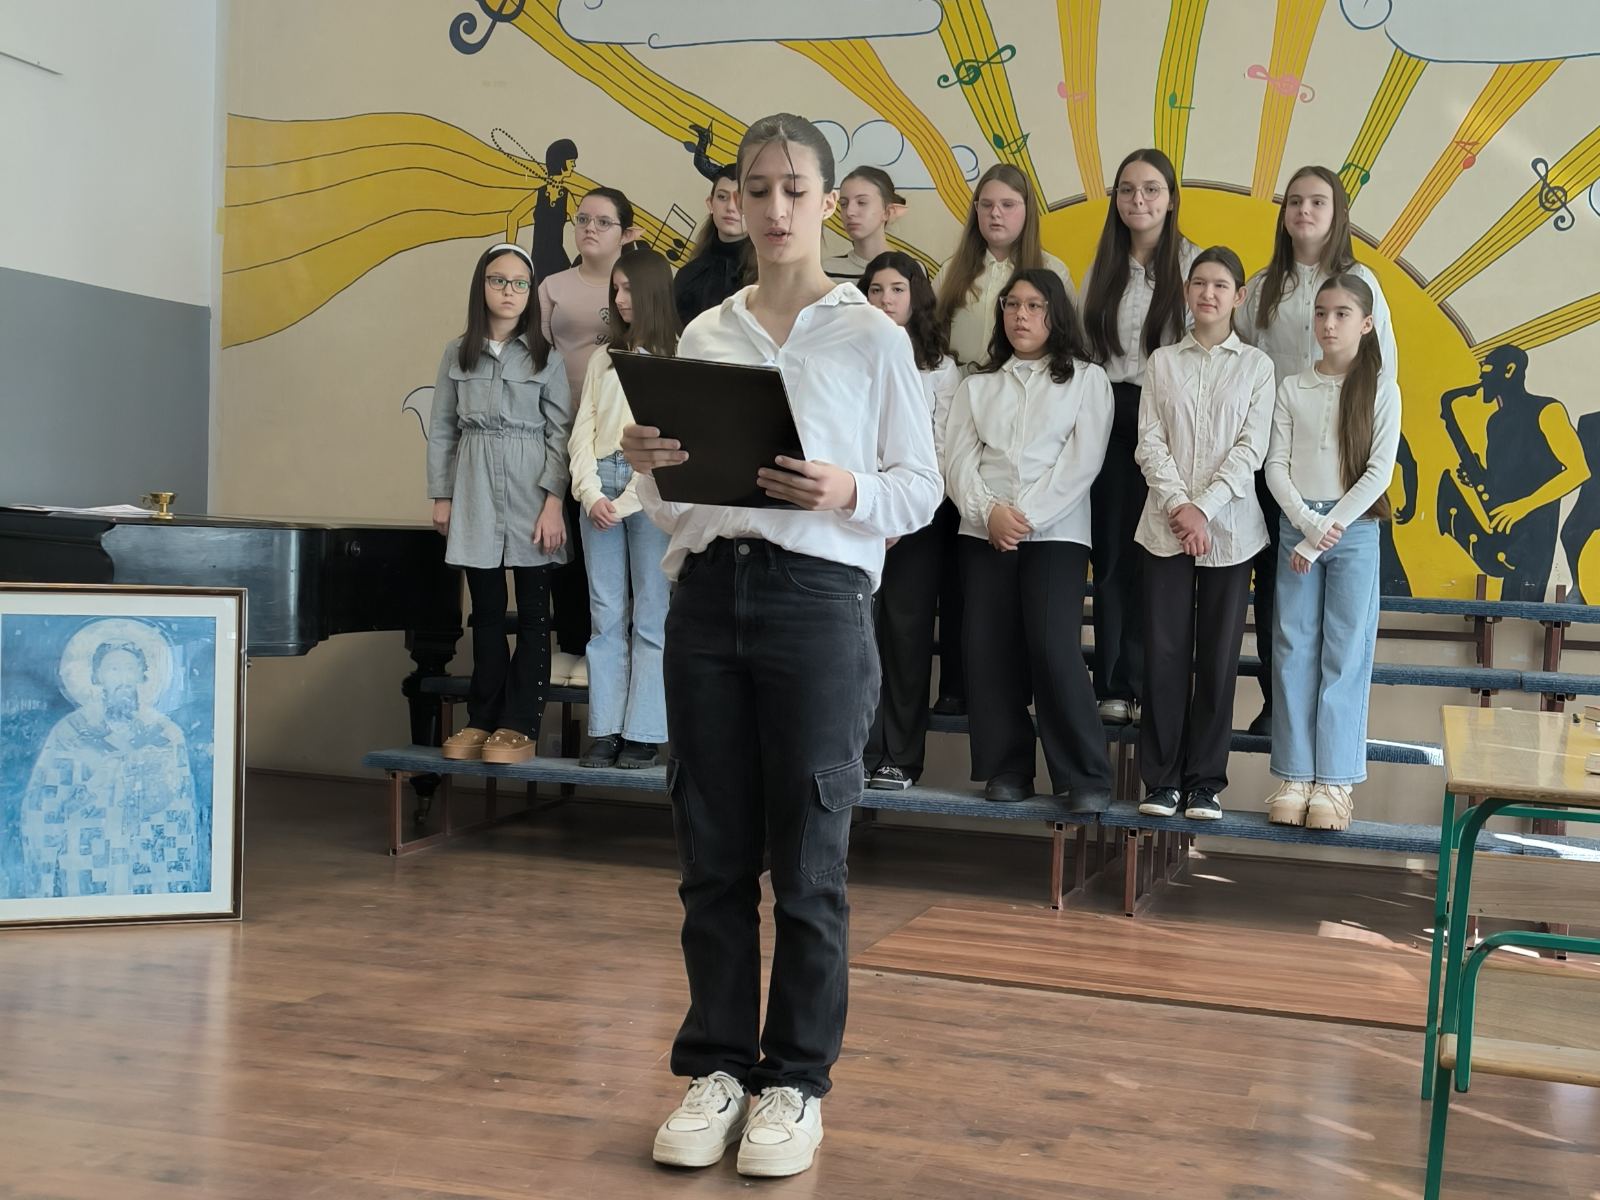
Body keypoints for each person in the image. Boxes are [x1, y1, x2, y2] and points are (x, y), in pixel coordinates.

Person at [622, 114, 940, 1178]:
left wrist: (845, 488)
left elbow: (920, 489)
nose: (773, 208)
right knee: (711, 853)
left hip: (818, 600)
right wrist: (650, 467)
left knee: (809, 861)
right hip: (709, 598)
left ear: (829, 202)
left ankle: (794, 1082)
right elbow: (677, 513)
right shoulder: (705, 335)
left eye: (794, 189)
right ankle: (716, 1068)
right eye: (755, 189)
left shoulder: (871, 336)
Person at [942, 269, 1115, 809]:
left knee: (1052, 647)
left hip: (1056, 533)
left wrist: (1024, 517)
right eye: (1012, 305)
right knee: (988, 648)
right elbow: (957, 461)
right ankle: (1007, 769)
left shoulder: (1087, 380)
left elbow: (1081, 463)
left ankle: (1085, 778)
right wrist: (989, 512)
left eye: (1035, 306)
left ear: (1056, 314)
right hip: (982, 532)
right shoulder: (978, 385)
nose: (1021, 315)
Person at [1236, 165, 1398, 733]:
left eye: (1318, 202)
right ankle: (1278, 705)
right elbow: (1238, 356)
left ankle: (1329, 735)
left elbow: (1383, 371)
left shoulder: (1361, 280)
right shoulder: (1263, 285)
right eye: (1295, 201)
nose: (1304, 211)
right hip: (1275, 457)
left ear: (1337, 213)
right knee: (1276, 586)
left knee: (1340, 611)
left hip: (1340, 465)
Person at [1132, 247, 1275, 821]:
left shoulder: (1257, 367)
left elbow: (1252, 449)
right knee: (1164, 655)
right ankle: (1162, 781)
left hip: (1232, 532)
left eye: (1220, 285)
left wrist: (1204, 509)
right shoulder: (1162, 362)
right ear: (1187, 292)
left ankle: (1205, 783)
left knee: (1218, 660)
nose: (1208, 293)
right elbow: (1149, 442)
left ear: (1238, 297)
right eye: (1199, 283)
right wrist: (1179, 506)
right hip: (1163, 528)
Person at [1264, 275, 1400, 832]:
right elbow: (1275, 466)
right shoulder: (1292, 387)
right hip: (1299, 525)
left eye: (1342, 314)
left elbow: (1379, 472)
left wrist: (1328, 529)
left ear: (1366, 324)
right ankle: (1295, 776)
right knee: (1293, 648)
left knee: (1344, 653)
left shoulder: (1381, 388)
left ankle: (1335, 782)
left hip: (1355, 529)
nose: (1329, 324)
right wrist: (1306, 525)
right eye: (1321, 313)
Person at [430, 242, 571, 766]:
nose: (508, 291)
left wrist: (553, 503)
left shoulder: (546, 356)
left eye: (519, 283)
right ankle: (482, 718)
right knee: (486, 611)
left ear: (530, 292)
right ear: (481, 286)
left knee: (534, 613)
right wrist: (442, 496)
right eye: (498, 280)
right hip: (473, 488)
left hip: (530, 488)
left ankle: (520, 724)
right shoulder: (457, 352)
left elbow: (560, 434)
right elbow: (443, 428)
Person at [1082, 148, 1197, 727]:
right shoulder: (1102, 265)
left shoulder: (1192, 264)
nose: (1138, 200)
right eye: (1127, 190)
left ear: (1171, 199)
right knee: (1111, 554)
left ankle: (1153, 682)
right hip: (1109, 412)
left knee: (1161, 555)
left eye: (1151, 189)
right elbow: (1085, 349)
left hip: (1172, 418)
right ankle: (1112, 684)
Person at [569, 248, 678, 770]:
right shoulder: (603, 358)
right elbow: (582, 431)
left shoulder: (674, 358)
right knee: (606, 615)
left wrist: (630, 497)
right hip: (600, 486)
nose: (620, 298)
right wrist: (591, 494)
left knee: (652, 613)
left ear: (652, 291)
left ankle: (644, 732)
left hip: (650, 488)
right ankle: (607, 728)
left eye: (629, 288)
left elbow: (670, 442)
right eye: (615, 289)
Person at [857, 251, 961, 790]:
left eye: (897, 289)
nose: (885, 300)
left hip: (917, 520)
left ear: (916, 296)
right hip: (856, 513)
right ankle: (857, 749)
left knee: (905, 634)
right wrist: (868, 506)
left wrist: (897, 514)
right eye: (875, 290)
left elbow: (940, 451)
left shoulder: (940, 368)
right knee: (857, 636)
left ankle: (900, 756)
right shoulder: (847, 354)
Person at [539, 187, 641, 685]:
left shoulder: (638, 287)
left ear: (628, 233)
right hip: (563, 428)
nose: (589, 229)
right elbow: (534, 356)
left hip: (619, 437)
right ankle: (572, 642)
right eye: (582, 220)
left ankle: (624, 652)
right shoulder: (553, 285)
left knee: (624, 543)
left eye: (603, 221)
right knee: (565, 537)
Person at [19, 622, 200, 898]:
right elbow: (45, 804)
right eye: (113, 669)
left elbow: (178, 806)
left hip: (145, 854)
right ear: (97, 676)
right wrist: (94, 786)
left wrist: (147, 784)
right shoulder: (70, 731)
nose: (123, 678)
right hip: (87, 855)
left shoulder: (165, 732)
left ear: (142, 675)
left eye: (130, 668)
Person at [1436, 344, 1587, 600]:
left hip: (1534, 533)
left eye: (1487, 370)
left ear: (1509, 370)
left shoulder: (1548, 410)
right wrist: (1479, 477)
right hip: (1506, 530)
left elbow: (1578, 471)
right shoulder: (1495, 422)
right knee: (1509, 603)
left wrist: (1522, 507)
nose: (1481, 378)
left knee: (1524, 603)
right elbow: (1507, 478)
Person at [933, 164, 1075, 372]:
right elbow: (927, 336)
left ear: (1028, 209)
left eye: (1008, 205)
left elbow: (1068, 344)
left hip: (1028, 388)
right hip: (959, 386)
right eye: (986, 205)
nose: (995, 213)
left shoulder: (1053, 271)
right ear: (976, 209)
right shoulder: (950, 271)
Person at [673, 164, 750, 326]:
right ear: (710, 203)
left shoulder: (767, 277)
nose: (730, 207)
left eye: (740, 199)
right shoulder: (688, 274)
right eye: (722, 197)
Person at [822, 166, 904, 283]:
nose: (849, 212)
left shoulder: (911, 269)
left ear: (887, 212)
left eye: (862, 202)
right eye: (844, 204)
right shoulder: (826, 271)